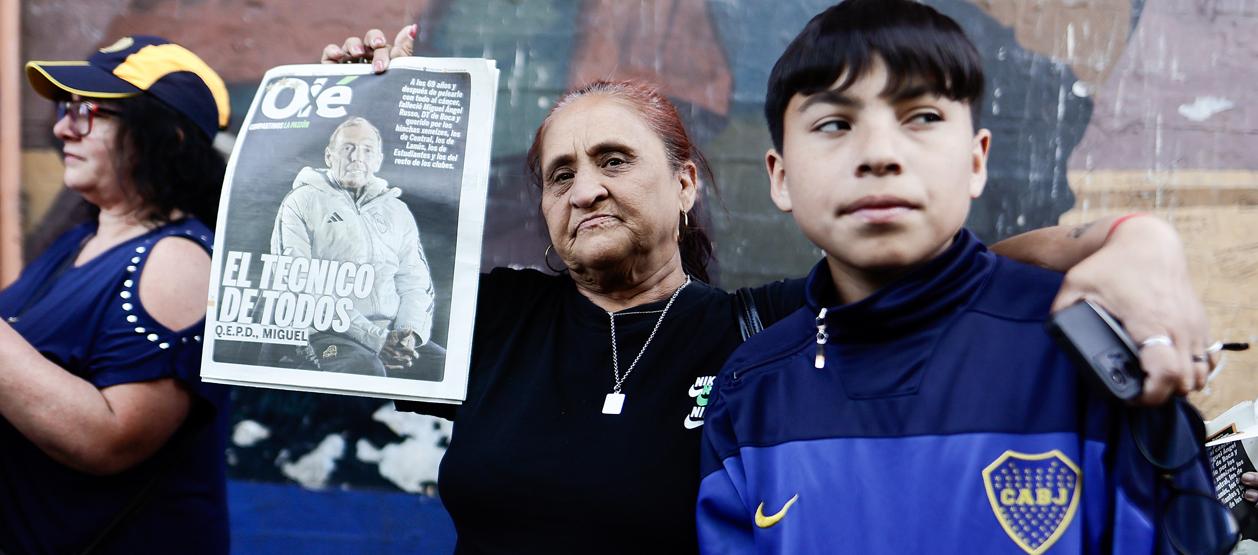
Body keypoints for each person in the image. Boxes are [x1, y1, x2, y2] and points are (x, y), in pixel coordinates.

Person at [322, 28, 1213, 554]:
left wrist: (1140, 242)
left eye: (614, 160)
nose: (584, 187)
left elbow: (980, 263)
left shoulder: (770, 335)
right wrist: (353, 108)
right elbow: (324, 285)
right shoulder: (496, 321)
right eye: (559, 174)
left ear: (684, 185)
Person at [696, 1, 1218, 553]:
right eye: (834, 123)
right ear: (780, 178)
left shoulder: (1089, 351)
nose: (879, 154)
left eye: (922, 117)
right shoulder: (751, 392)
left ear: (976, 161)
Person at [0, 36, 231, 554]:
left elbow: (111, 440)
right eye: (65, 108)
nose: (63, 127)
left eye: (89, 112)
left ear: (169, 138)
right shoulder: (78, 243)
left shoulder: (178, 258)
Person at [270, 115, 440, 379]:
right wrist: (374, 338)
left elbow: (415, 283)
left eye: (367, 150)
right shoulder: (301, 202)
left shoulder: (397, 210)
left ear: (377, 160)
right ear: (329, 156)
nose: (356, 157)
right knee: (363, 369)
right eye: (347, 148)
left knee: (444, 368)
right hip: (326, 338)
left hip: (390, 335)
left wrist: (409, 333)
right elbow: (298, 284)